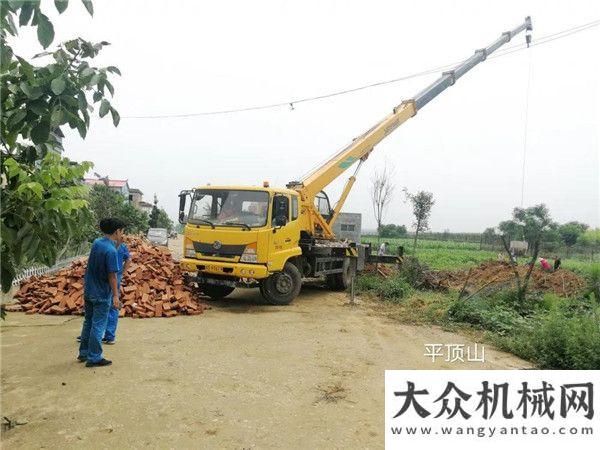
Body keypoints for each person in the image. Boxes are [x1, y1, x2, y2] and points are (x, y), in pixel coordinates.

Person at [77, 218, 124, 367]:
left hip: (89, 290)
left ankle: (83, 353)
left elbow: (108, 253)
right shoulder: (111, 251)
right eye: (122, 231)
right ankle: (94, 357)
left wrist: (118, 243)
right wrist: (116, 296)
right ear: (117, 231)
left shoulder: (98, 243)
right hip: (102, 294)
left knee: (88, 322)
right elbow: (112, 275)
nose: (123, 234)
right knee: (98, 325)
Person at [103, 235, 131, 345]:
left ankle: (104, 335)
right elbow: (128, 259)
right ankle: (109, 336)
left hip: (107, 277)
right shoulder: (121, 246)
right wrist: (122, 272)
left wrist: (122, 273)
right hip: (116, 276)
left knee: (108, 303)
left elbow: (128, 259)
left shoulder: (104, 245)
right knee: (113, 305)